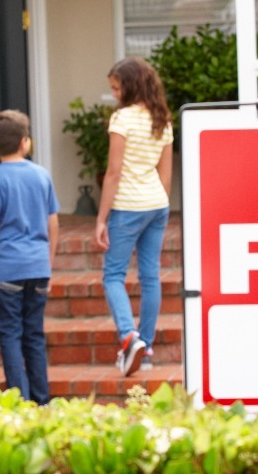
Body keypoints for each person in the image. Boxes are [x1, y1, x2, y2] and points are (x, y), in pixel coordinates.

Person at [94, 57, 174, 376]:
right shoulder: (162, 119)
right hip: (157, 204)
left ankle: (129, 337)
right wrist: (158, 203)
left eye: (116, 87)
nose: (114, 94)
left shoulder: (122, 119)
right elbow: (165, 175)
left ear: (130, 85)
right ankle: (148, 346)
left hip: (127, 206)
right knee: (150, 276)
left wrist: (101, 219)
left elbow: (113, 173)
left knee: (113, 275)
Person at [0, 110, 59, 404]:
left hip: (9, 270)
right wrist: (48, 264)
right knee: (34, 335)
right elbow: (53, 223)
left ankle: (19, 401)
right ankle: (42, 400)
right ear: (25, 142)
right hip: (38, 266)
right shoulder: (42, 175)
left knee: (10, 335)